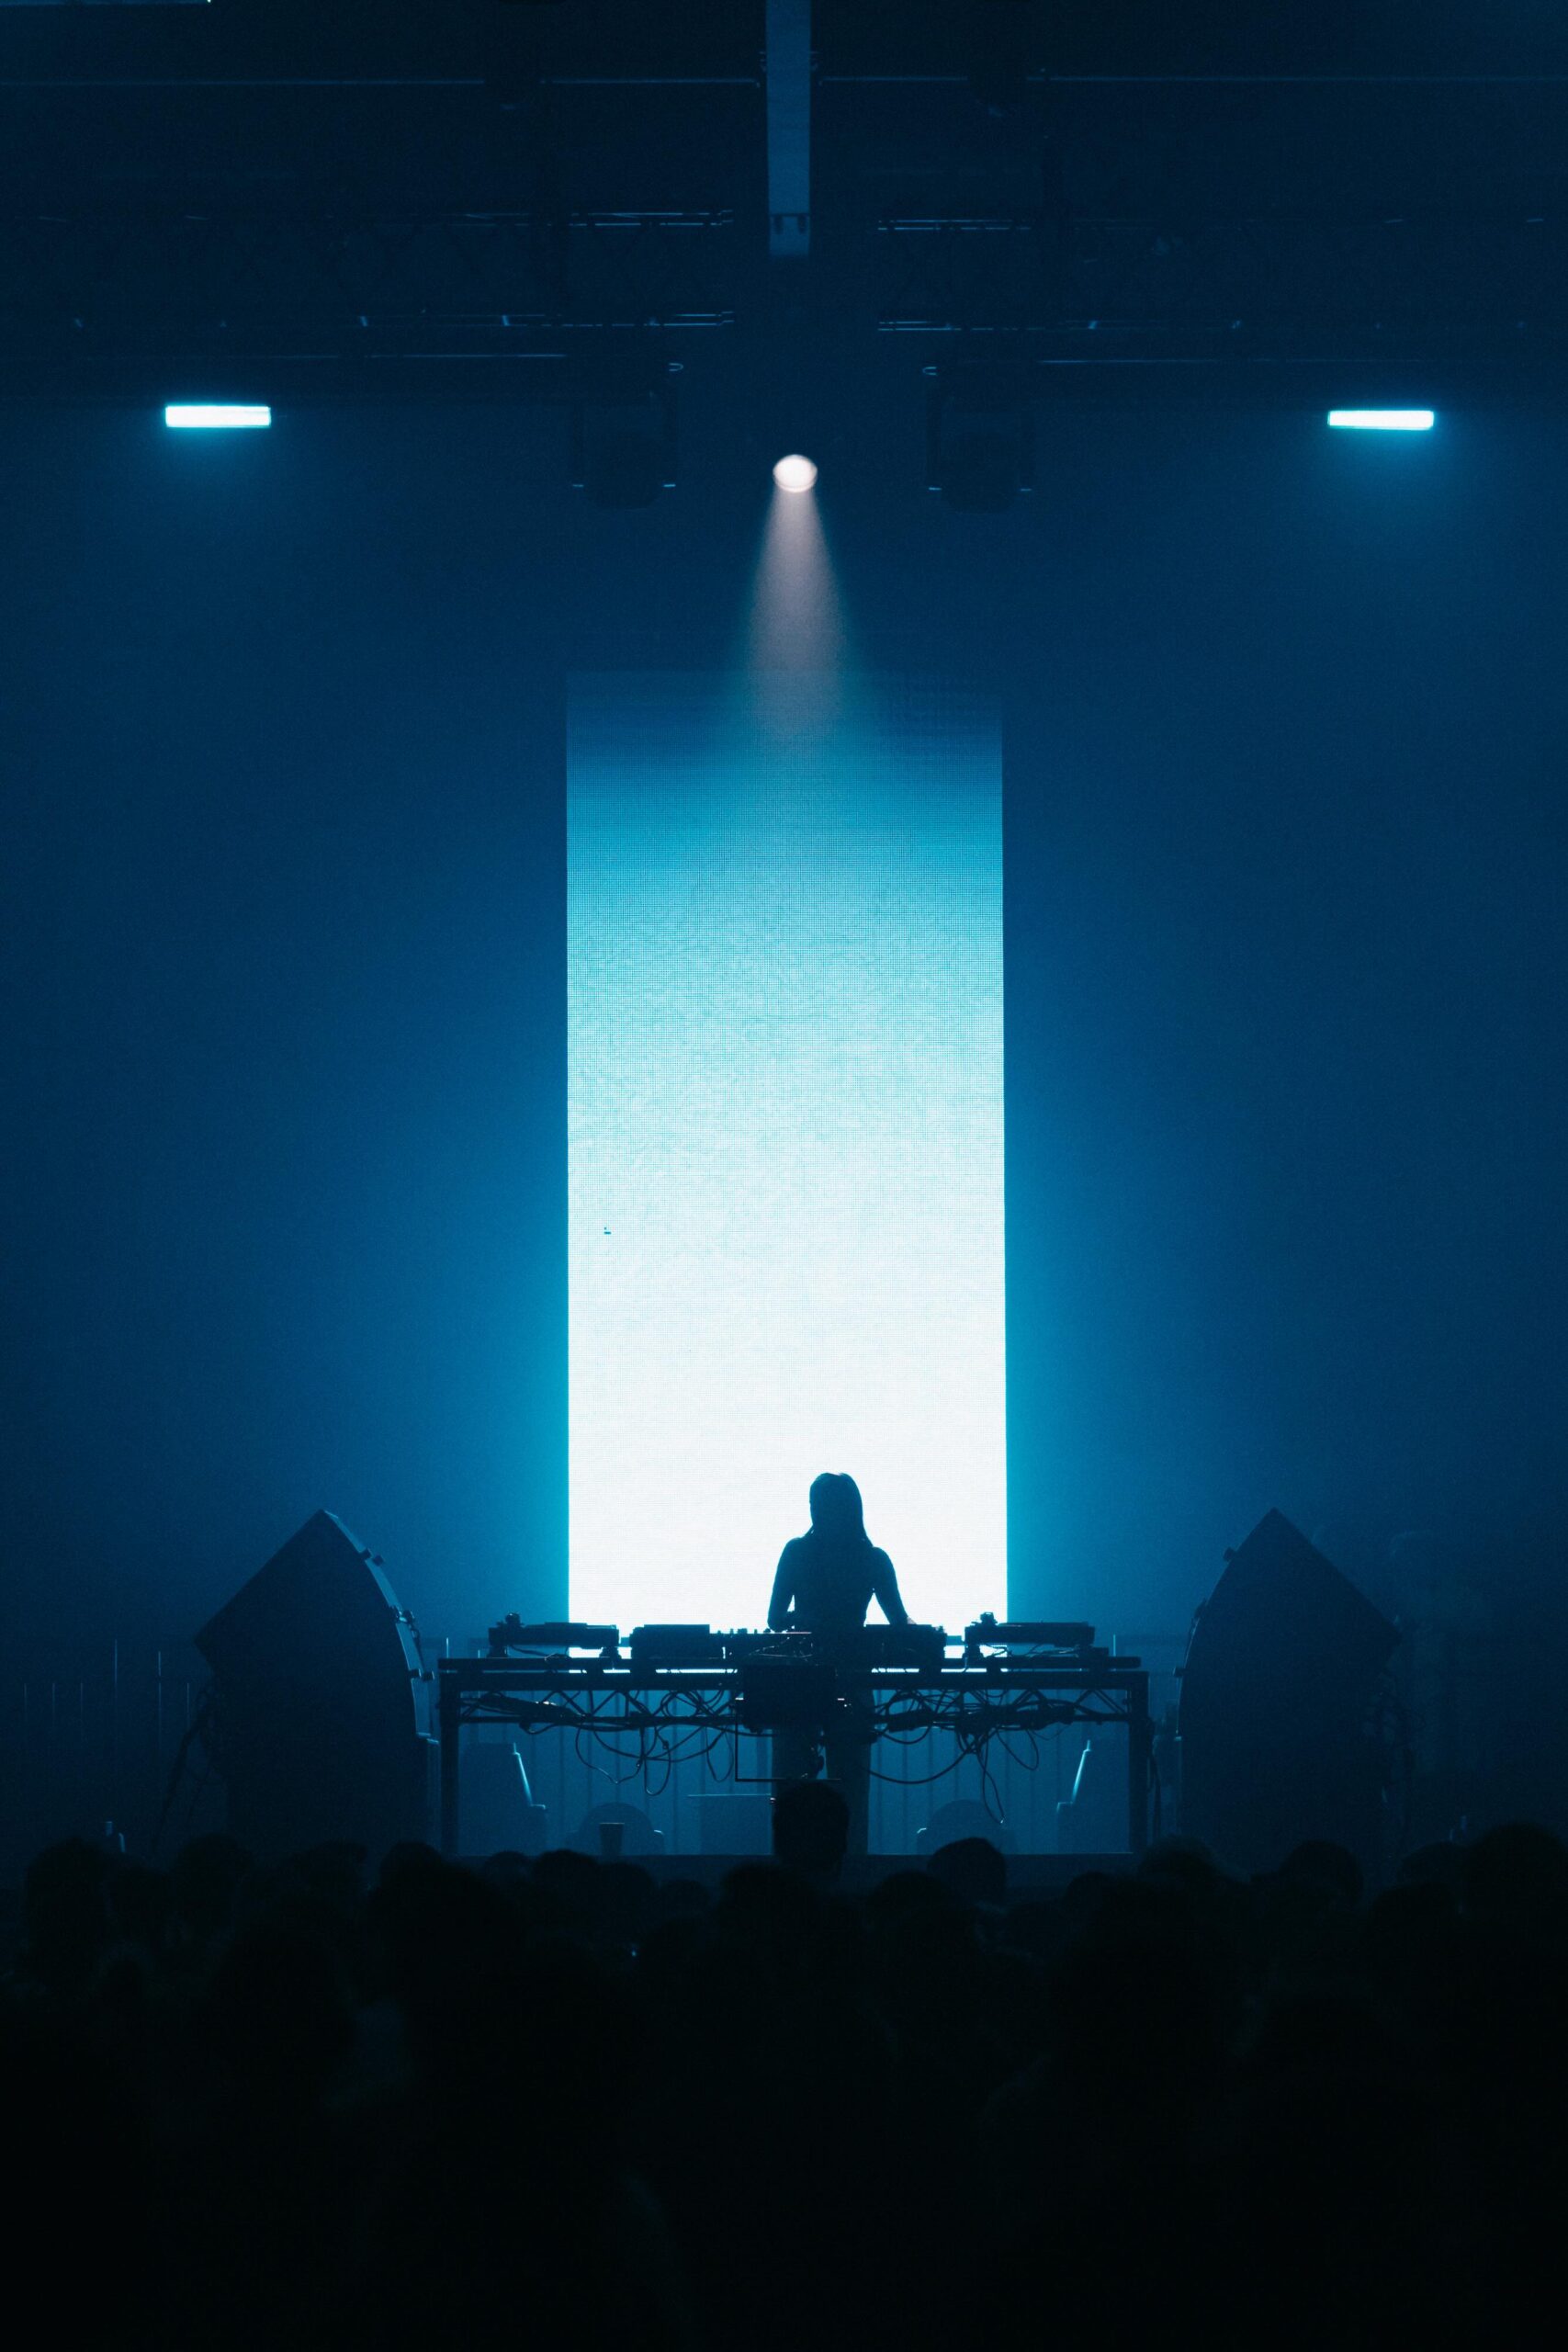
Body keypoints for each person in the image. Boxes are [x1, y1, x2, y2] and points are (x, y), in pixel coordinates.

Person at [766, 1473, 908, 1856]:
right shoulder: (873, 1558)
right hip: (852, 1678)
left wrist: (805, 1621)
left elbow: (775, 1619)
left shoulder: (797, 1552)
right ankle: (852, 1865)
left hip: (799, 1680)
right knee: (851, 1790)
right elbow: (900, 1622)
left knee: (790, 1785)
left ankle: (789, 1865)